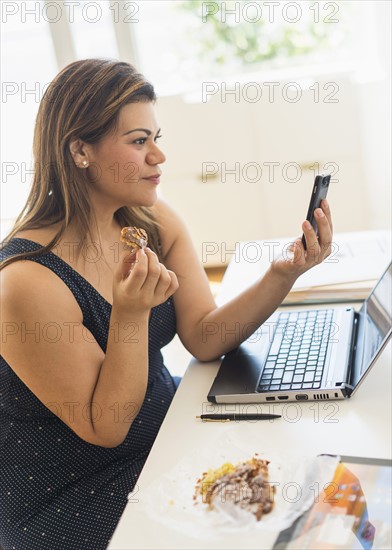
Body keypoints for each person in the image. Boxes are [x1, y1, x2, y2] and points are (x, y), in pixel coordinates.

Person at [0, 58, 333, 549]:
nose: (158, 157)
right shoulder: (25, 282)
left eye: (158, 138)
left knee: (311, 484)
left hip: (166, 430)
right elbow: (106, 426)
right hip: (74, 492)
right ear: (80, 151)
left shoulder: (151, 222)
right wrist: (130, 316)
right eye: (139, 141)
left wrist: (284, 272)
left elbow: (203, 336)